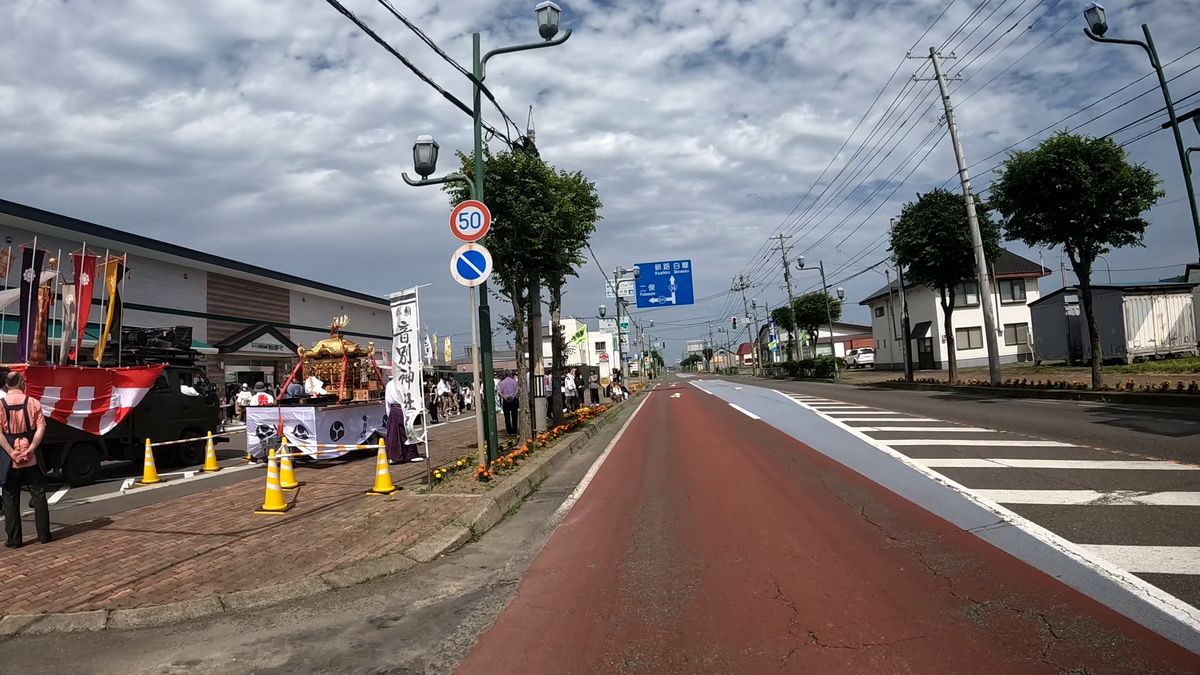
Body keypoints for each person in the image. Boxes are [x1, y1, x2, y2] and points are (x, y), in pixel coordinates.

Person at [0, 371, 51, 548]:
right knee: (38, 495)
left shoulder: (0, 405)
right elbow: (41, 428)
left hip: (9, 457)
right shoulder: (33, 403)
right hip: (31, 456)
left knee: (11, 498)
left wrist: (11, 452)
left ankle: (14, 540)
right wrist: (31, 449)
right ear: (22, 383)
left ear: (7, 386)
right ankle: (44, 534)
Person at [384, 377, 422, 465]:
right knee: (405, 432)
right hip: (402, 409)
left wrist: (389, 413)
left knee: (395, 433)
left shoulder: (390, 384)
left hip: (395, 410)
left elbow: (387, 402)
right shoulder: (403, 384)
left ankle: (393, 456)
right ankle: (409, 455)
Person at [498, 371, 520, 435]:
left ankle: (509, 431)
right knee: (514, 415)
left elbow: (499, 392)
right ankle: (514, 431)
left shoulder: (502, 383)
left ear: (504, 375)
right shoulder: (515, 382)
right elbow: (517, 390)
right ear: (510, 375)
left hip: (506, 400)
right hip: (514, 399)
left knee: (507, 416)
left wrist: (505, 397)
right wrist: (513, 396)